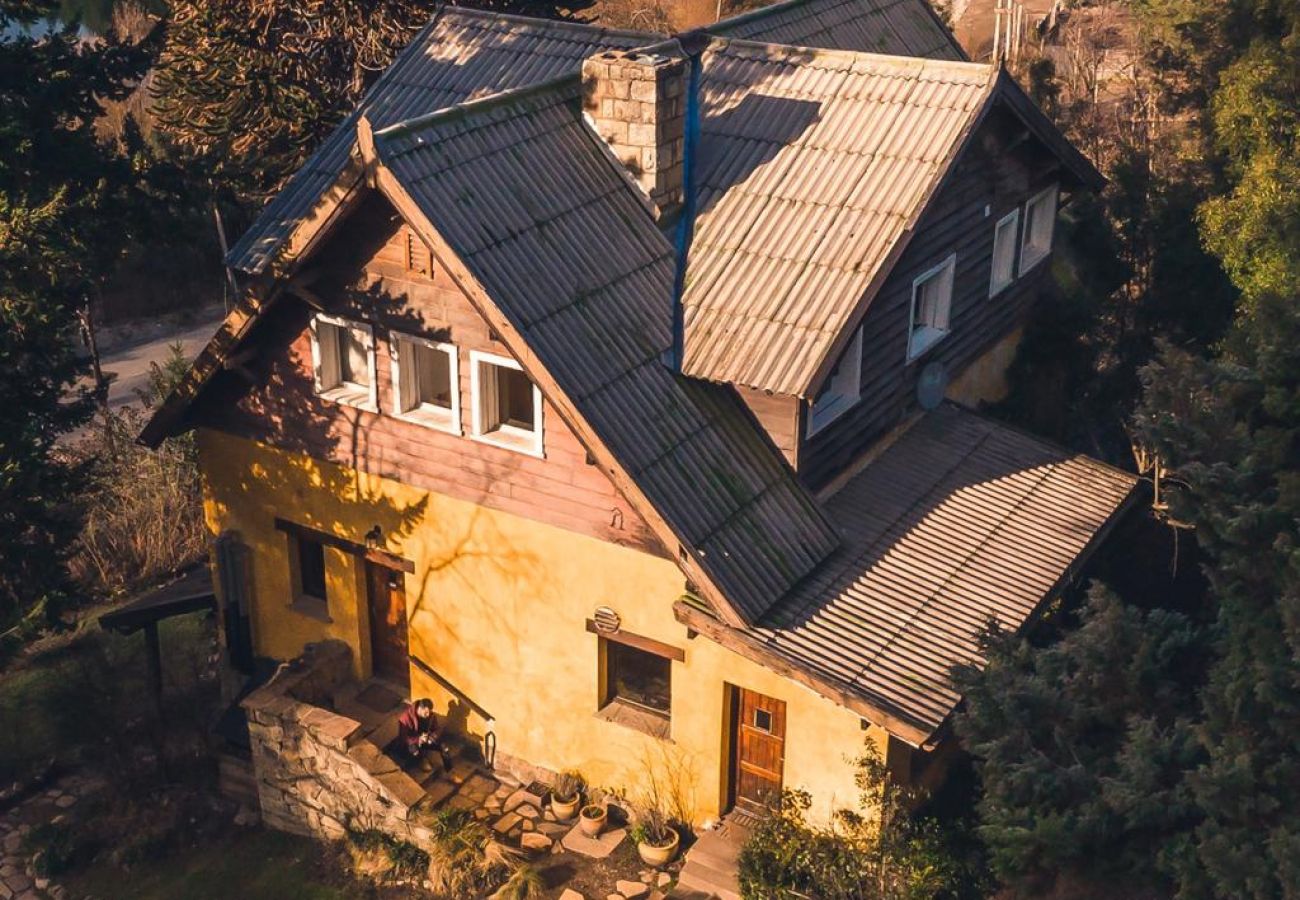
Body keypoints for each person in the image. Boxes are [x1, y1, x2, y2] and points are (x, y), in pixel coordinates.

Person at [397, 698, 453, 773]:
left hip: (426, 739)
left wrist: (432, 737)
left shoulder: (430, 716)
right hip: (412, 743)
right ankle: (419, 761)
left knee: (444, 747)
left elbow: (436, 729)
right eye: (426, 712)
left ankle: (449, 771)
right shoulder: (405, 718)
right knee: (414, 752)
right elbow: (403, 738)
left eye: (429, 712)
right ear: (420, 709)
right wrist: (419, 739)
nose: (428, 714)